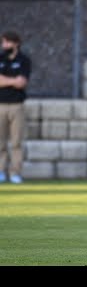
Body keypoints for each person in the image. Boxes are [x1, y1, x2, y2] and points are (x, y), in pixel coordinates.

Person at [0, 31, 31, 184]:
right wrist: (13, 81)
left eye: (7, 43)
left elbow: (22, 82)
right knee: (0, 141)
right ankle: (1, 171)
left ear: (16, 43)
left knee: (16, 142)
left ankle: (15, 173)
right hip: (1, 105)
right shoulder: (0, 59)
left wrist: (6, 80)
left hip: (17, 106)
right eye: (3, 42)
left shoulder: (24, 60)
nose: (4, 46)